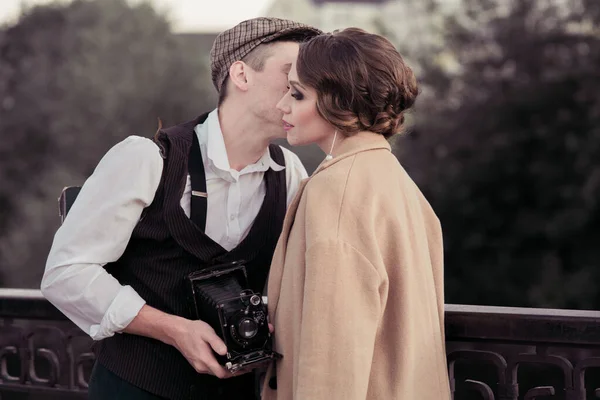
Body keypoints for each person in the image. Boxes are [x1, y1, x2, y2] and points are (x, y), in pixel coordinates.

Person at [40, 17, 321, 400]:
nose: (303, 89)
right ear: (241, 75)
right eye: (291, 74)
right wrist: (174, 329)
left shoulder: (290, 173)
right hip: (134, 389)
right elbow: (65, 274)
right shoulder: (146, 158)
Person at [261, 28, 452, 400]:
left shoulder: (337, 190)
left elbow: (332, 357)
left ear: (340, 102)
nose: (282, 105)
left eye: (297, 93)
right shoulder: (399, 183)